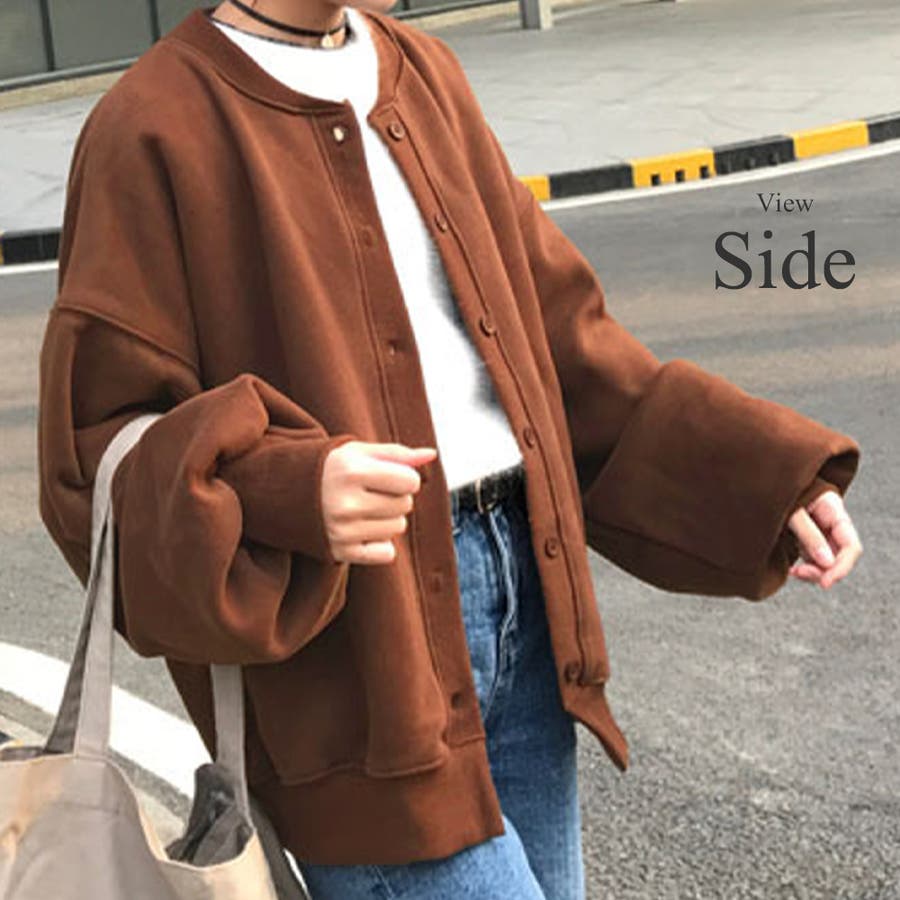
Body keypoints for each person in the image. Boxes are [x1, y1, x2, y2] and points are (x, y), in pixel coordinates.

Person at [36, 1, 863, 898]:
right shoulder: (152, 125)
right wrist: (286, 489)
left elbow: (564, 348)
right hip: (363, 673)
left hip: (527, 615)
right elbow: (94, 456)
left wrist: (767, 478)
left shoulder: (424, 75)